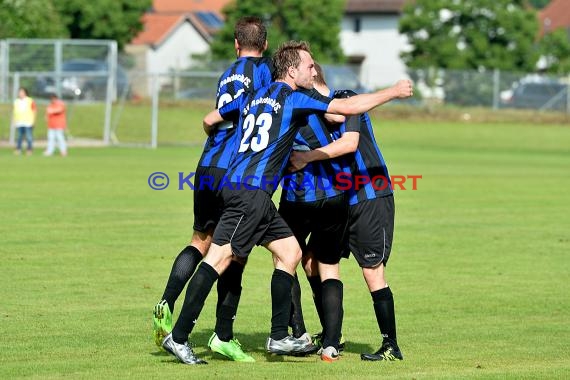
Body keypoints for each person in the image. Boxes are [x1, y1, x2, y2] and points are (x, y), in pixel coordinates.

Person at [161, 40, 413, 365]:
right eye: (309, 66)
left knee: (290, 252)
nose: (313, 70)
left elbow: (212, 118)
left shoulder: (253, 95)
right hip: (248, 193)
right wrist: (391, 92)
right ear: (292, 70)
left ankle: (279, 335)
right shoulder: (294, 97)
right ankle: (179, 338)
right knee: (218, 258)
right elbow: (346, 109)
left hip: (249, 191)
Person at [152, 16, 273, 363]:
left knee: (199, 240)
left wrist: (213, 118)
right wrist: (217, 113)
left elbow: (220, 115)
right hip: (234, 170)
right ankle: (223, 335)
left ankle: (166, 302)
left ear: (236, 44)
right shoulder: (261, 70)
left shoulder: (227, 72)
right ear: (262, 45)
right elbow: (251, 103)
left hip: (206, 164)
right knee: (233, 252)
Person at [288, 87, 407, 362]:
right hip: (342, 200)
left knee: (372, 271)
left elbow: (348, 139)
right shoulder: (314, 114)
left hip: (371, 198)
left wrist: (308, 155)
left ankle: (391, 345)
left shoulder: (346, 97)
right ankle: (333, 334)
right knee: (311, 260)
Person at [279, 63, 359, 362]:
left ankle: (298, 333)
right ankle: (331, 342)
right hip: (336, 195)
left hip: (299, 196)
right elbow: (339, 113)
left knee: (285, 259)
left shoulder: (290, 100)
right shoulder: (322, 100)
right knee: (324, 266)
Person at [12, 87, 36, 156]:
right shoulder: (16, 101)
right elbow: (14, 112)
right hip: (19, 122)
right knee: (19, 136)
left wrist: (33, 121)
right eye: (19, 92)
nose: (20, 93)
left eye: (22, 92)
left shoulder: (30, 100)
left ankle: (29, 149)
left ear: (25, 93)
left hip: (28, 122)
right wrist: (14, 120)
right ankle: (18, 149)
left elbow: (34, 111)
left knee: (29, 137)